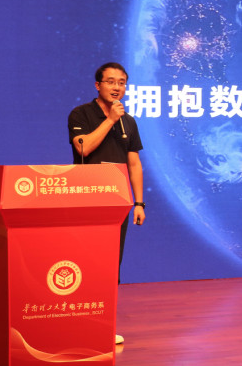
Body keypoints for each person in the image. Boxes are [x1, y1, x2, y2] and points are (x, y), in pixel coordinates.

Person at [68, 62, 145, 346]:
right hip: (86, 200)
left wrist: (139, 202)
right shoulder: (81, 114)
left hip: (117, 202)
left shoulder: (129, 121)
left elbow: (134, 164)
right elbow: (83, 148)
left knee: (111, 265)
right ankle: (76, 323)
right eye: (111, 81)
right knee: (85, 262)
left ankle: (104, 325)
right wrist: (110, 120)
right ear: (97, 85)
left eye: (122, 82)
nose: (117, 87)